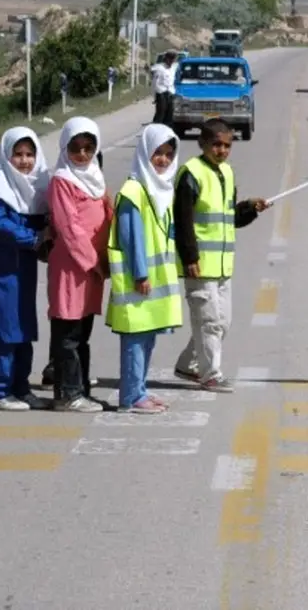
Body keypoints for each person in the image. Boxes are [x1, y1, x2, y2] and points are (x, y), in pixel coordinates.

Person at [172, 118, 270, 392]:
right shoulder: (190, 173)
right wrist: (190, 258)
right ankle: (210, 374)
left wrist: (250, 208)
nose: (222, 150)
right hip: (200, 266)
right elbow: (183, 221)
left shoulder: (226, 173)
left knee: (222, 322)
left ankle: (187, 365)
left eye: (227, 145)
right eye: (216, 144)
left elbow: (229, 219)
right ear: (202, 143)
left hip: (223, 266)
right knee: (210, 322)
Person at [105, 124, 182, 414]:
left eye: (167, 154)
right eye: (156, 154)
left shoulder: (162, 188)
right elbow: (131, 236)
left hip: (156, 278)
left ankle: (139, 390)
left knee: (147, 337)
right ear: (144, 154)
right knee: (135, 340)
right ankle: (129, 397)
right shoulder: (133, 190)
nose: (162, 160)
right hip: (140, 279)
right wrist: (140, 273)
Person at [0, 127, 53, 411]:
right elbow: (0, 225)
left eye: (29, 154)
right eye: (17, 155)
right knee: (3, 329)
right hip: (2, 270)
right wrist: (34, 238)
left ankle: (20, 387)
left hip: (24, 270)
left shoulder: (33, 188)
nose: (24, 161)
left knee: (24, 328)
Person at [46, 117, 112, 413]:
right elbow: (68, 227)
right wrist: (93, 261)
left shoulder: (95, 179)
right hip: (73, 267)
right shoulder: (62, 180)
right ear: (65, 148)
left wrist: (108, 258)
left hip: (93, 269)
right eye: (76, 148)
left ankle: (81, 389)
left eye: (89, 148)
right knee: (68, 333)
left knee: (82, 333)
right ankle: (67, 394)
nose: (82, 155)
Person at [151, 51, 176, 127]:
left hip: (170, 93)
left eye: (173, 59)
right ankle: (156, 130)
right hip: (162, 94)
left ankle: (167, 131)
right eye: (170, 59)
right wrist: (155, 96)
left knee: (170, 115)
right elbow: (155, 83)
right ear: (166, 59)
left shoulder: (173, 67)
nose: (171, 61)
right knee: (160, 114)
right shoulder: (159, 68)